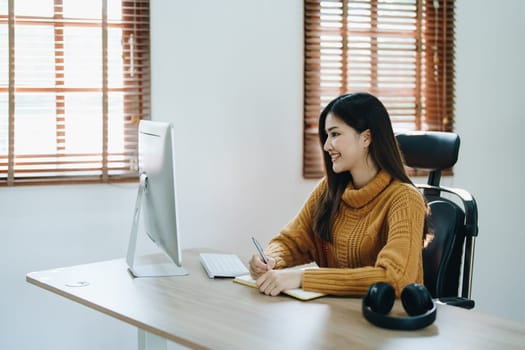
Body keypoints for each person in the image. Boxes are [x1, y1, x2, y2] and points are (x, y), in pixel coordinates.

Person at [249, 92, 429, 298]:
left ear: (366, 138)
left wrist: (302, 278)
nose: (326, 146)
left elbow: (394, 278)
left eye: (335, 134)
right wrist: (270, 259)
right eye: (326, 136)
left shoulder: (405, 199)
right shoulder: (329, 190)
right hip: (339, 317)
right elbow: (291, 241)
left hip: (386, 323)